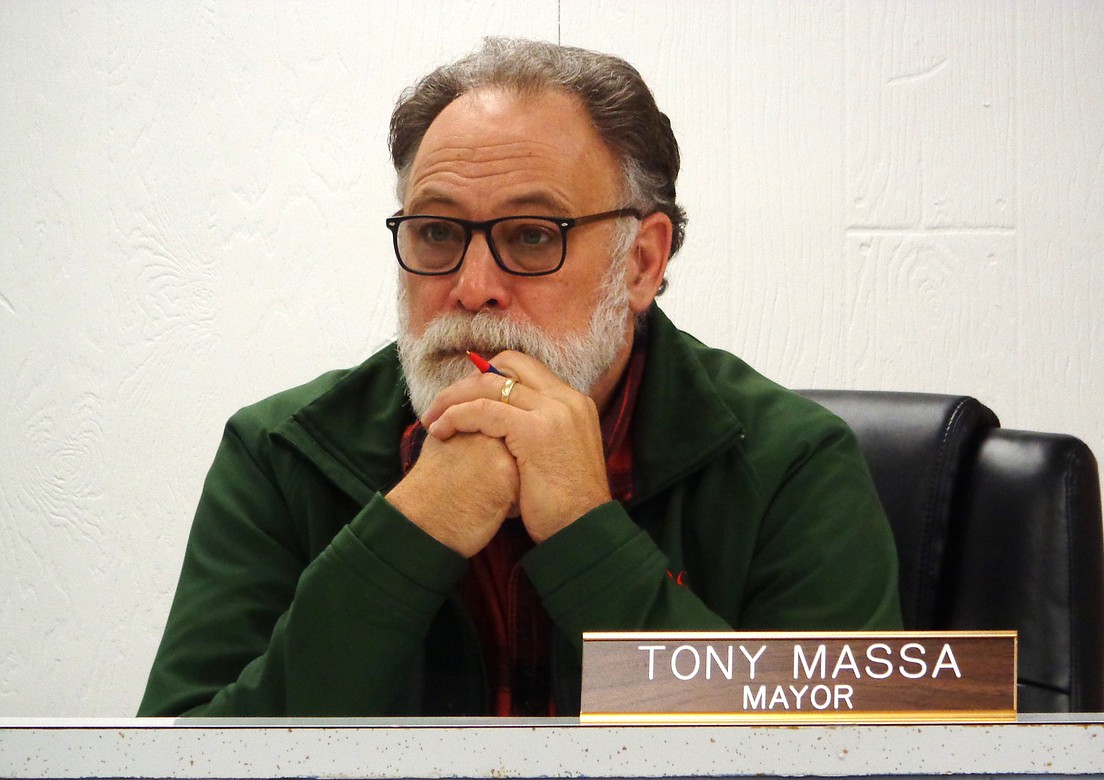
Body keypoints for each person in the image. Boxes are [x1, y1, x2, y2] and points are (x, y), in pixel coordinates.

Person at [138, 37, 900, 718]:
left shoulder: (794, 464)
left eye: (533, 236)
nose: (472, 286)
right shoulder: (277, 452)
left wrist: (583, 530)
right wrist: (413, 530)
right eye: (437, 232)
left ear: (642, 261)